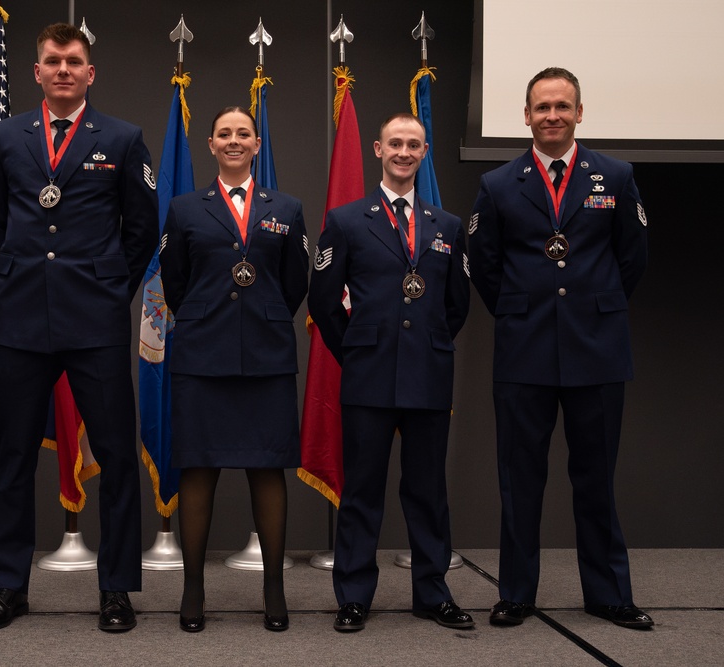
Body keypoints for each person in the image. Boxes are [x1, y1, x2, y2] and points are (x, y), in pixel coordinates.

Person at [0, 23, 158, 632]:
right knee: (14, 457)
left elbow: (141, 230)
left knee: (117, 461)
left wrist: (108, 291)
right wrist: (26, 278)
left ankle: (116, 591)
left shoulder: (124, 139)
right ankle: (9, 588)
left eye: (74, 62)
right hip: (24, 318)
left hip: (95, 321)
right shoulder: (4, 137)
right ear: (37, 71)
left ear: (90, 73)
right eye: (53, 61)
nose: (63, 71)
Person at [468, 67, 653, 629]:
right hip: (524, 352)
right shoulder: (499, 184)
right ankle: (517, 593)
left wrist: (591, 307)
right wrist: (524, 311)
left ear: (579, 113)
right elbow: (485, 264)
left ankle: (609, 594)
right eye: (541, 107)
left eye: (562, 106)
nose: (552, 115)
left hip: (596, 349)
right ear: (525, 116)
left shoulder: (615, 177)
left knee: (595, 477)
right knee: (520, 479)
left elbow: (633, 257)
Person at [308, 113, 471, 632]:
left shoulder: (446, 225)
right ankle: (354, 595)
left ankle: (433, 593)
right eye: (395, 143)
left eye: (414, 145)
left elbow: (456, 306)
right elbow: (324, 302)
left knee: (427, 491)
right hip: (369, 374)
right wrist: (358, 350)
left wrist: (427, 345)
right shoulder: (347, 220)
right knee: (362, 491)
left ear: (425, 152)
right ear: (377, 149)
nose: (404, 152)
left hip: (427, 374)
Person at [160, 106, 309, 633]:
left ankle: (273, 589)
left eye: (243, 133)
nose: (234, 141)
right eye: (224, 133)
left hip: (266, 356)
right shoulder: (183, 209)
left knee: (267, 469)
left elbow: (295, 283)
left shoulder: (286, 208)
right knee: (198, 469)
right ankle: (193, 588)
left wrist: (259, 318)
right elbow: (175, 282)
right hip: (203, 355)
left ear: (257, 143)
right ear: (210, 144)